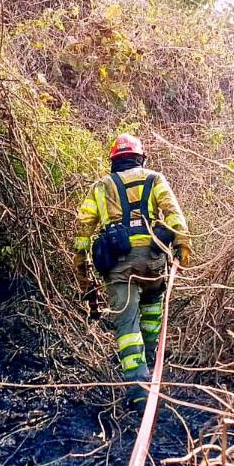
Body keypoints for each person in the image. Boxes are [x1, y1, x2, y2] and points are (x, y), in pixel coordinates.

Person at [73, 133, 191, 410]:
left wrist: (82, 266)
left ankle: (138, 389)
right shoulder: (155, 179)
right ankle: (150, 363)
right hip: (153, 261)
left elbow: (83, 229)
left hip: (119, 265)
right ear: (140, 158)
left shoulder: (101, 187)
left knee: (127, 326)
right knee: (151, 314)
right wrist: (182, 245)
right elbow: (173, 214)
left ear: (114, 161)